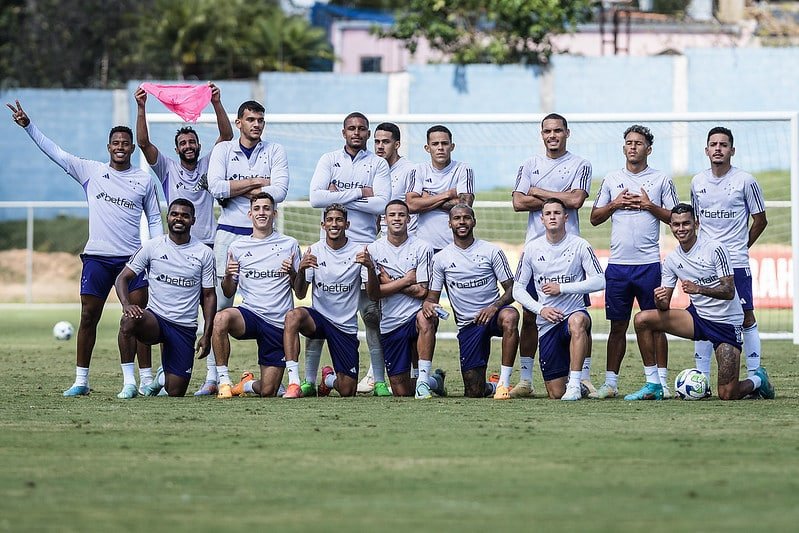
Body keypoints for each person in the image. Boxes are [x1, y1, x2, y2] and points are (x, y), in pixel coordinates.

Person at [7, 100, 163, 397]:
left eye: (125, 143)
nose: (120, 146)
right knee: (88, 317)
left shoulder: (143, 180)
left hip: (132, 262)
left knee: (138, 317)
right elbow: (56, 153)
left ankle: (145, 381)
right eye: (116, 142)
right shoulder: (89, 171)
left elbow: (154, 218)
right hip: (97, 259)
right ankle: (81, 380)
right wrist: (29, 127)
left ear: (131, 148)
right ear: (108, 147)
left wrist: (154, 253)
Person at [134, 81, 233, 389]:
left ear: (198, 146)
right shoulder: (166, 169)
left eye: (193, 141)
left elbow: (227, 136)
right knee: (170, 310)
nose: (189, 146)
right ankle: (162, 373)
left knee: (210, 310)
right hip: (176, 250)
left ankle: (213, 376)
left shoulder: (208, 165)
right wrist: (141, 106)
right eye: (183, 143)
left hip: (208, 247)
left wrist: (216, 103)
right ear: (177, 149)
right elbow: (144, 144)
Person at [627, 203, 774, 401]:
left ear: (696, 224)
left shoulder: (715, 249)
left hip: (726, 323)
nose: (681, 229)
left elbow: (730, 291)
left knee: (727, 394)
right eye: (676, 224)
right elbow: (664, 306)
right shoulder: (671, 260)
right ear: (670, 226)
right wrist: (659, 299)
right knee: (642, 319)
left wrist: (699, 289)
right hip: (697, 318)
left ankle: (758, 380)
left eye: (686, 223)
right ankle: (654, 384)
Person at [203, 100, 290, 396]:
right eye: (250, 119)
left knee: (273, 298)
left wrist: (237, 187)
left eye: (260, 120)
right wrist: (257, 182)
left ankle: (274, 372)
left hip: (267, 237)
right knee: (222, 306)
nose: (256, 124)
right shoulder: (223, 150)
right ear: (238, 122)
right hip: (229, 234)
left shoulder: (275, 150)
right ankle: (214, 377)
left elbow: (278, 191)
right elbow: (215, 187)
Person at [304, 112, 391, 397]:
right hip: (328, 250)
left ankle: (379, 380)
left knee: (370, 315)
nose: (356, 132)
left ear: (368, 133)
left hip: (364, 247)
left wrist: (338, 194)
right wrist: (360, 192)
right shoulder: (329, 159)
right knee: (321, 317)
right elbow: (316, 198)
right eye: (351, 128)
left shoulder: (377, 163)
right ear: (343, 133)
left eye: (362, 129)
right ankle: (308, 379)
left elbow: (382, 204)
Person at [589, 125, 679, 398]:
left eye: (638, 143)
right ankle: (610, 384)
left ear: (648, 149)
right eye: (628, 142)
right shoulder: (612, 179)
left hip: (649, 264)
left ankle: (660, 382)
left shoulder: (661, 179)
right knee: (617, 326)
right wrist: (614, 204)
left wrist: (650, 206)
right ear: (623, 147)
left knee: (655, 324)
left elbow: (676, 218)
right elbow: (594, 218)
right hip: (618, 266)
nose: (632, 147)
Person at [510, 113, 593, 398]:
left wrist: (540, 192)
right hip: (536, 251)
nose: (553, 135)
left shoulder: (580, 164)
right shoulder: (530, 164)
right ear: (541, 134)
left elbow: (576, 200)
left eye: (558, 130)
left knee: (578, 317)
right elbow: (519, 202)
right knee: (530, 316)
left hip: (567, 254)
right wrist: (559, 197)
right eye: (548, 131)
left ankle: (584, 377)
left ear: (567, 133)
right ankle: (525, 378)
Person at [690, 127, 768, 390]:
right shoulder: (697, 182)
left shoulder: (746, 181)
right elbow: (697, 222)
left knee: (745, 315)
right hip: (705, 263)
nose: (718, 149)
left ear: (732, 150)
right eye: (713, 144)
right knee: (702, 315)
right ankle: (701, 379)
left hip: (735, 261)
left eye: (723, 145)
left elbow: (760, 219)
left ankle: (757, 372)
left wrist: (742, 246)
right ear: (706, 150)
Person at [116, 199, 216, 397]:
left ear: (193, 220)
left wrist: (207, 334)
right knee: (128, 321)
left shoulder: (204, 253)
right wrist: (127, 304)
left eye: (185, 215)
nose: (179, 218)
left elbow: (208, 295)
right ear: (168, 217)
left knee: (175, 391)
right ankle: (129, 383)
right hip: (156, 320)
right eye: (175, 214)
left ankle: (161, 378)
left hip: (184, 327)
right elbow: (122, 278)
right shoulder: (152, 247)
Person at [420, 204, 518, 399]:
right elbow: (432, 298)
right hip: (468, 325)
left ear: (474, 221)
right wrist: (429, 305)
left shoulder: (491, 251)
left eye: (466, 217)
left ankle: (503, 384)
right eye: (457, 218)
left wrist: (494, 307)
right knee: (474, 392)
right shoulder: (441, 259)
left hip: (493, 315)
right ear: (450, 224)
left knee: (511, 316)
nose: (462, 222)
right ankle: (491, 384)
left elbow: (513, 289)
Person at [513, 198, 605, 400]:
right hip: (547, 324)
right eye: (548, 214)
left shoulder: (580, 245)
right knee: (555, 393)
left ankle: (575, 383)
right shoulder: (531, 249)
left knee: (578, 321)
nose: (552, 217)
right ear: (541, 219)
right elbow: (517, 289)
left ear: (566, 218)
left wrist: (562, 288)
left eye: (557, 213)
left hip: (573, 314)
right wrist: (541, 309)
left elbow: (600, 281)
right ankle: (572, 387)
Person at [210, 193, 301, 399]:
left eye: (267, 208)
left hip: (277, 322)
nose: (262, 212)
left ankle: (247, 384)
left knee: (268, 391)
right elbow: (228, 291)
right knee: (221, 318)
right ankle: (223, 381)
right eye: (258, 208)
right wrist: (228, 275)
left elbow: (300, 290)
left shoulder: (290, 244)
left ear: (274, 213)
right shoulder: (237, 247)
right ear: (250, 214)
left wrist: (293, 274)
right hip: (250, 315)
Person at [357, 121, 419, 393]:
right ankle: (376, 371)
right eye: (377, 141)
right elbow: (368, 203)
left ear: (397, 144)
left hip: (406, 250)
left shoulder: (410, 170)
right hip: (378, 245)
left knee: (414, 313)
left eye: (385, 141)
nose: (380, 146)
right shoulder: (369, 166)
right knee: (374, 312)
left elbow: (409, 206)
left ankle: (420, 373)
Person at [283, 204, 369, 398]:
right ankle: (295, 382)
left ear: (347, 224)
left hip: (344, 326)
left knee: (347, 390)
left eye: (339, 220)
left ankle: (328, 379)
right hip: (319, 319)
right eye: (330, 220)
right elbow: (300, 293)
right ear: (323, 224)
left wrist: (370, 269)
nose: (334, 224)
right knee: (293, 316)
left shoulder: (359, 251)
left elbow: (372, 292)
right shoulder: (314, 250)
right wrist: (301, 270)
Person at [364, 200, 441, 398]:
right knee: (401, 391)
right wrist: (406, 279)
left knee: (426, 318)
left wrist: (389, 284)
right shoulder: (373, 250)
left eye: (401, 215)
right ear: (384, 220)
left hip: (414, 317)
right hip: (390, 322)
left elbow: (422, 291)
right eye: (392, 215)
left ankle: (423, 381)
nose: (397, 218)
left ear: (408, 218)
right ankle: (435, 381)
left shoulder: (423, 247)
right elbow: (373, 294)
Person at [406, 125, 475, 252]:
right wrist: (447, 194)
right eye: (435, 144)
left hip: (455, 246)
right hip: (424, 246)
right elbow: (411, 206)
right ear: (427, 148)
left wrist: (426, 200)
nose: (440, 148)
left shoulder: (463, 169)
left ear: (452, 146)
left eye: (444, 143)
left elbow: (464, 206)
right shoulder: (418, 170)